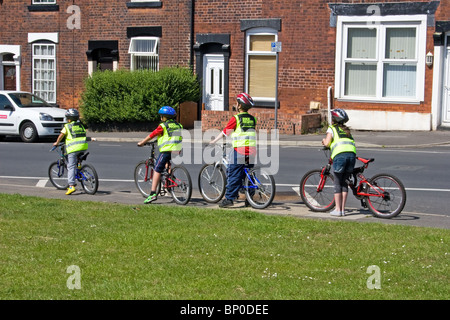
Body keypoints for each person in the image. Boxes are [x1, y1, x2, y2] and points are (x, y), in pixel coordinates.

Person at [209, 93, 257, 208]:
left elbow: (225, 132)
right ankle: (250, 198)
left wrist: (214, 141)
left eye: (237, 102)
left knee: (233, 173)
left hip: (240, 150)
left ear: (239, 106)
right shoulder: (252, 119)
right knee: (248, 174)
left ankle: (229, 199)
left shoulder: (236, 118)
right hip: (251, 150)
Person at [137, 106, 183, 204]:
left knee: (157, 169)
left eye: (161, 116)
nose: (161, 118)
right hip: (177, 150)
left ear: (164, 117)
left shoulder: (163, 126)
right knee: (167, 165)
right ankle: (170, 182)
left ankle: (153, 193)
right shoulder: (178, 125)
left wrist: (142, 142)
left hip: (166, 150)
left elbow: (152, 134)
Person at [322, 108, 356, 217]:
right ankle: (343, 209)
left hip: (340, 156)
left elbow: (327, 143)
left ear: (334, 119)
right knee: (344, 182)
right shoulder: (346, 130)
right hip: (351, 156)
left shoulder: (332, 128)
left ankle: (337, 209)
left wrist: (323, 141)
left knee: (337, 182)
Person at [53, 108, 89, 195]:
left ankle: (71, 186)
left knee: (71, 166)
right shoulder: (81, 125)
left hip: (73, 148)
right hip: (83, 146)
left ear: (68, 119)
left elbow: (61, 135)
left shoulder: (67, 126)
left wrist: (56, 143)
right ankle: (80, 169)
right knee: (77, 161)